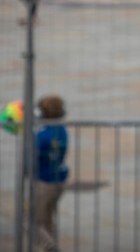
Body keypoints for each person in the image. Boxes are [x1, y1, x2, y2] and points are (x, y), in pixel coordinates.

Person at [34, 94, 69, 252]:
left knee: (30, 219)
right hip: (60, 179)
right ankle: (50, 245)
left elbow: (32, 157)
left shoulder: (41, 135)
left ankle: (50, 247)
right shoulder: (61, 130)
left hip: (44, 181)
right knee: (47, 218)